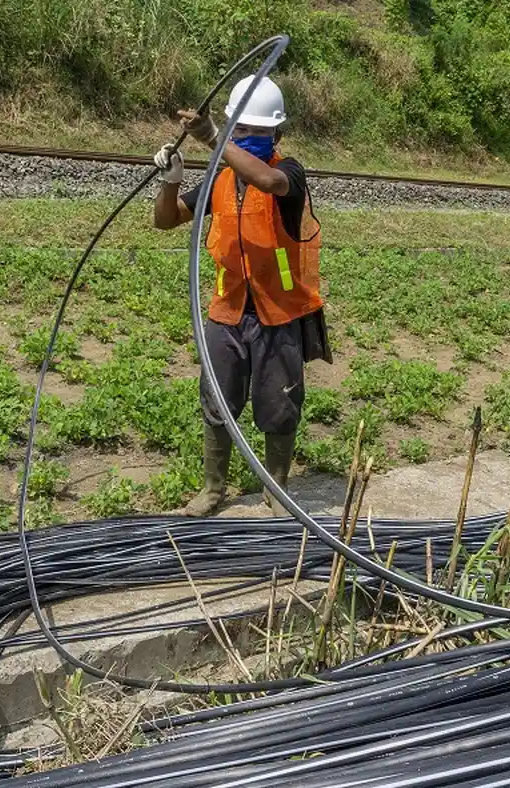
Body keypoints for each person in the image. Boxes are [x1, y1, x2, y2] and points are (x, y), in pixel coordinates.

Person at [152, 75, 331, 517]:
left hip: (278, 313)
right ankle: (213, 489)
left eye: (258, 131)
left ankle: (276, 489)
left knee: (279, 404)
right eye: (241, 130)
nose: (248, 137)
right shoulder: (219, 179)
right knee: (217, 401)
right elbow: (166, 220)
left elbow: (267, 181)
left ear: (277, 134)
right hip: (227, 310)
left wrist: (213, 138)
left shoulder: (289, 172)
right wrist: (171, 181)